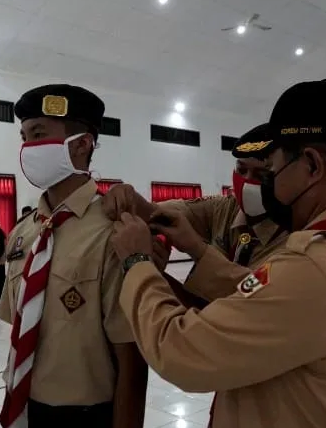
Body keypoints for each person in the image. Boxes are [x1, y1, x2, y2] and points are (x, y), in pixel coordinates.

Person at [109, 79, 326, 428]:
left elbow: (182, 352)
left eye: (273, 170)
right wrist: (194, 248)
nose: (265, 186)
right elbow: (267, 307)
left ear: (311, 165)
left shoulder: (319, 266)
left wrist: (137, 264)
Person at [0, 84, 147, 428]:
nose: (27, 148)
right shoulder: (24, 232)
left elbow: (132, 362)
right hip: (19, 412)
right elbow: (19, 332)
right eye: (24, 136)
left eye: (38, 134)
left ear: (82, 144)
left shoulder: (115, 231)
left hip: (82, 422)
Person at [102, 123, 288, 305]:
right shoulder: (225, 208)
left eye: (261, 175)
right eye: (241, 170)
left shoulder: (294, 235)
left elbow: (252, 297)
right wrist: (128, 196)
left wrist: (196, 249)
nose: (247, 182)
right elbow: (157, 214)